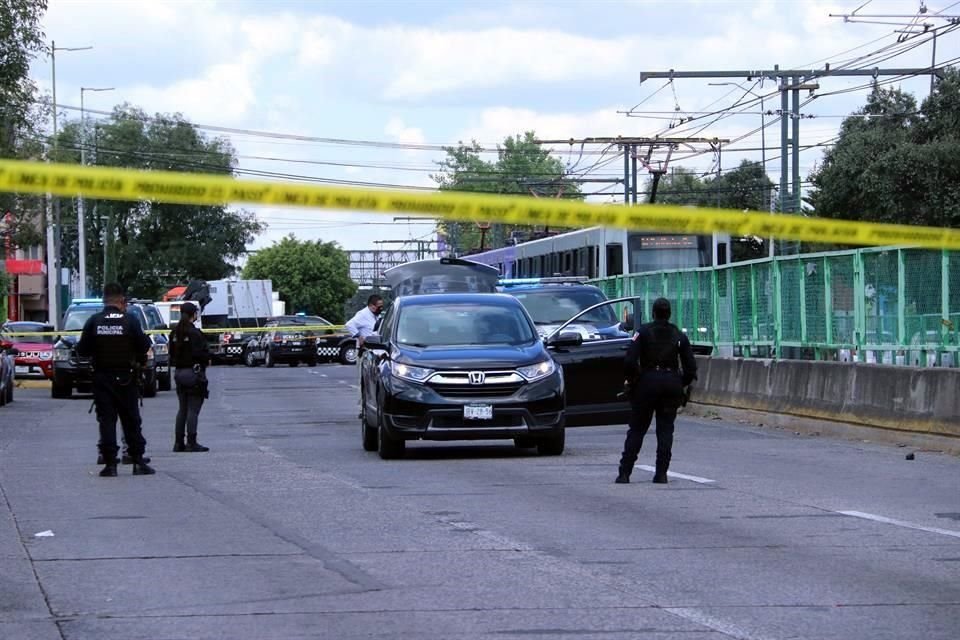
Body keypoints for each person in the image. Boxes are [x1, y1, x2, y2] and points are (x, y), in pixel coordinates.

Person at [615, 297, 697, 485]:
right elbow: (691, 368)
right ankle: (661, 474)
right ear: (669, 314)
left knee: (637, 429)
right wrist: (679, 383)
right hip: (671, 384)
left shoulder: (643, 332)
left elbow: (629, 361)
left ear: (653, 313)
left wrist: (634, 380)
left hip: (647, 383)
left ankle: (624, 473)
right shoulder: (678, 335)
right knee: (665, 430)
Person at [77, 283, 155, 477]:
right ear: (122, 300)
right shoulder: (131, 321)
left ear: (104, 300)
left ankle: (110, 465)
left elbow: (82, 350)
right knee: (131, 421)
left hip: (102, 378)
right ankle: (138, 462)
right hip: (126, 379)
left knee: (107, 422)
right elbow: (144, 345)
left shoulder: (94, 321)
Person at [169, 301, 210, 453]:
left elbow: (171, 354)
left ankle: (178, 442)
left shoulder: (174, 332)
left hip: (179, 373)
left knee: (182, 409)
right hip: (193, 373)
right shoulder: (194, 333)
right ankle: (191, 442)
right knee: (193, 409)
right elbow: (201, 354)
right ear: (194, 314)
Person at [345, 295, 383, 418]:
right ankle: (362, 408)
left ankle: (373, 405)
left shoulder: (377, 316)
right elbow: (349, 324)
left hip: (376, 352)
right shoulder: (362, 315)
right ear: (372, 306)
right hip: (364, 351)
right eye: (379, 306)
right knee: (363, 381)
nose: (381, 308)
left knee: (374, 381)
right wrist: (358, 336)